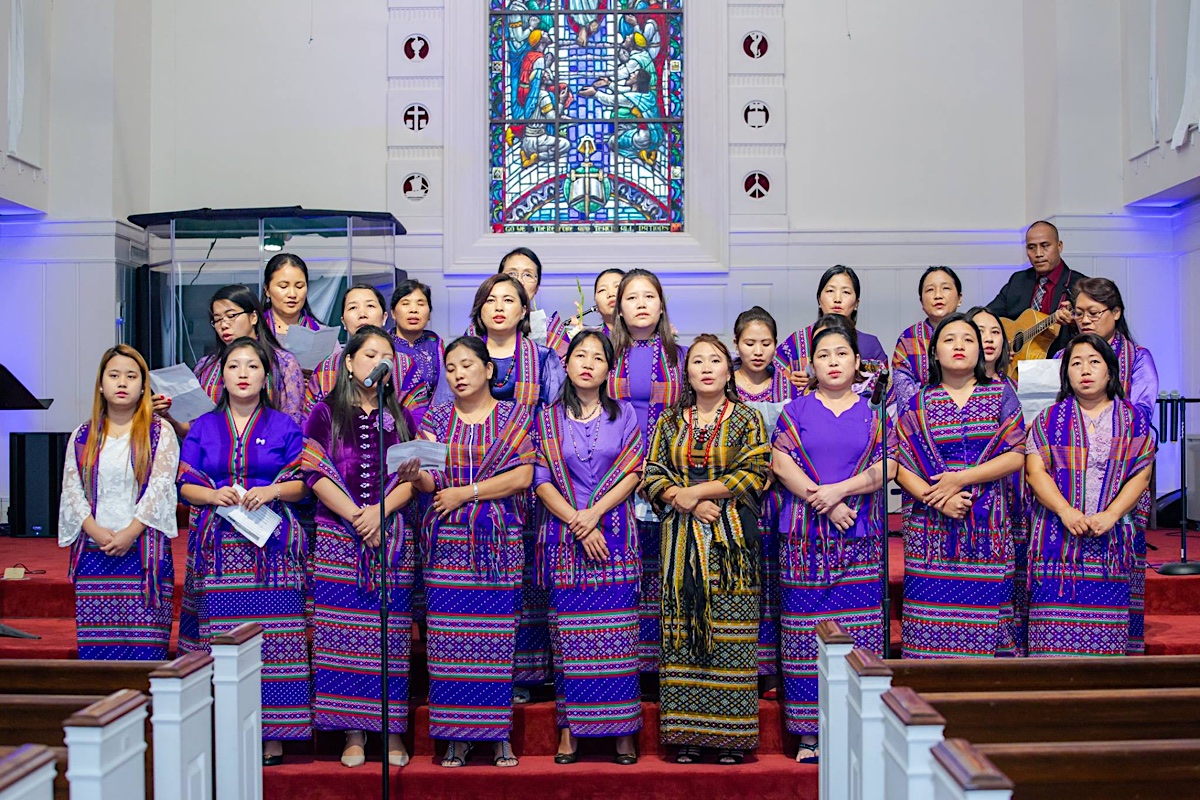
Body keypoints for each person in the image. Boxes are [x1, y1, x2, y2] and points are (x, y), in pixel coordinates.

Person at [177, 337, 311, 765]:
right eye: (234, 365)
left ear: (265, 376)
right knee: (223, 640)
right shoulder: (203, 426)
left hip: (272, 548)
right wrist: (212, 496)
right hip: (218, 546)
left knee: (275, 640)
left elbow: (303, 483)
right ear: (221, 376)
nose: (242, 373)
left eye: (252, 366)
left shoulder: (284, 425)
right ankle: (224, 728)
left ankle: (274, 732)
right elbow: (184, 482)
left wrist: (271, 490)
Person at [642, 334, 771, 765]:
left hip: (732, 544)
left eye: (715, 360)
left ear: (728, 369)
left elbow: (755, 471)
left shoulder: (747, 417)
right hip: (680, 543)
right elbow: (652, 473)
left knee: (732, 636)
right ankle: (688, 735)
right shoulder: (669, 421)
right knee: (683, 633)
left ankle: (731, 738)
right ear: (687, 373)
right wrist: (683, 500)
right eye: (698, 361)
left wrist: (694, 493)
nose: (707, 368)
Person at [412, 337, 537, 769]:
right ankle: (455, 737)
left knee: (495, 640)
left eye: (467, 365)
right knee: (448, 641)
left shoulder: (513, 416)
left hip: (497, 543)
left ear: (488, 369)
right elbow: (430, 480)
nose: (458, 374)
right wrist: (415, 476)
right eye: (450, 368)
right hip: (447, 545)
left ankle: (498, 735)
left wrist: (466, 492)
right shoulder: (436, 417)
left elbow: (523, 476)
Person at [771, 327, 888, 762]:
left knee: (860, 636)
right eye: (823, 355)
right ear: (812, 366)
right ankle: (810, 734)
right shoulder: (795, 409)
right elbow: (780, 462)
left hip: (859, 539)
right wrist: (822, 501)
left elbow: (888, 467)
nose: (833, 361)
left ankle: (858, 731)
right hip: (805, 542)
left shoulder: (875, 411)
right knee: (806, 636)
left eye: (842, 353)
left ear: (858, 363)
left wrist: (839, 493)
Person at [303, 326, 418, 768]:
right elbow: (313, 471)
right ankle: (352, 731)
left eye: (386, 355)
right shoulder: (324, 412)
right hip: (339, 537)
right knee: (342, 636)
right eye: (369, 354)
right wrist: (357, 515)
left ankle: (391, 729)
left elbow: (414, 478)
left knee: (390, 637)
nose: (378, 361)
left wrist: (379, 513)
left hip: (389, 537)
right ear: (349, 363)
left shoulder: (401, 416)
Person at [533, 331, 644, 766]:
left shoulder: (625, 414)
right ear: (567, 363)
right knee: (570, 639)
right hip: (565, 537)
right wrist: (579, 523)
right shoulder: (547, 419)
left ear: (608, 369)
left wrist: (594, 513)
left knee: (618, 637)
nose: (588, 363)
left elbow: (634, 471)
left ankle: (623, 731)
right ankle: (570, 730)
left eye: (598, 358)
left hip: (614, 536)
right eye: (580, 355)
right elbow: (540, 479)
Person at [894, 313, 1026, 659]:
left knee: (990, 623)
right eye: (949, 339)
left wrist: (961, 478)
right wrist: (939, 500)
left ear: (980, 350)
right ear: (934, 352)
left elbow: (1016, 455)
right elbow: (900, 465)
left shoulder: (1001, 394)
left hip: (987, 529)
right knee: (930, 626)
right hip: (930, 532)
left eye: (968, 340)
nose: (959, 346)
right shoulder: (918, 403)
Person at [1025, 334, 1155, 657]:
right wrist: (1065, 511)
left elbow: (1141, 475)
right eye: (1076, 363)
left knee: (1105, 649)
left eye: (1094, 362)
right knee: (1053, 644)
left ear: (1110, 371)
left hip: (1111, 544)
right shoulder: (1048, 419)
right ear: (1065, 373)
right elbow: (1035, 472)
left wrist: (1111, 515)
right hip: (1057, 545)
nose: (1085, 370)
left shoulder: (1134, 421)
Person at [60, 345, 179, 660]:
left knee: (145, 651)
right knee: (99, 652)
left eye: (131, 376)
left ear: (143, 386)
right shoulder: (83, 435)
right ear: (101, 384)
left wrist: (130, 533)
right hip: (95, 552)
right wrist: (95, 530)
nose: (122, 383)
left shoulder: (160, 432)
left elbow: (161, 487)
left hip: (142, 552)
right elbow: (72, 490)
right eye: (114, 375)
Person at [1068, 277, 1158, 655]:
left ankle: (1120, 641)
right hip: (1069, 473)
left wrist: (1101, 423)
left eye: (1094, 312)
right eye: (1079, 313)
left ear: (1116, 312)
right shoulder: (1063, 355)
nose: (1085, 320)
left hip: (1122, 471)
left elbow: (1142, 413)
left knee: (1121, 561)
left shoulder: (1137, 358)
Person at [607, 268, 688, 672]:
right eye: (632, 297)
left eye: (649, 296)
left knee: (667, 569)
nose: (641, 304)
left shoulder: (683, 357)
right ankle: (623, 663)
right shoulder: (603, 353)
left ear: (661, 306)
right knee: (623, 570)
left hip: (670, 477)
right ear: (619, 309)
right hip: (613, 477)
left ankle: (663, 666)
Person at [154, 284, 306, 432]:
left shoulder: (283, 362)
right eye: (217, 319)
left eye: (231, 316)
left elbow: (292, 424)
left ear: (253, 317)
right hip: (213, 448)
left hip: (268, 446)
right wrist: (170, 417)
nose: (224, 325)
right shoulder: (206, 366)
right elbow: (195, 430)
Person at [731, 306, 787, 686]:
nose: (758, 350)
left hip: (778, 495)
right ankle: (742, 665)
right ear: (736, 344)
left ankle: (771, 668)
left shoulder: (789, 385)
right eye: (750, 343)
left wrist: (772, 471)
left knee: (773, 579)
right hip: (733, 497)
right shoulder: (724, 382)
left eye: (766, 343)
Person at [967, 305, 1025, 653]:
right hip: (973, 497)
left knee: (1013, 569)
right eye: (979, 331)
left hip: (1014, 490)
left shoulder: (1013, 386)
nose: (988, 339)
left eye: (995, 332)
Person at [304, 283, 418, 418]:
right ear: (343, 322)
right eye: (353, 307)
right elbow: (310, 420)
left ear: (384, 317)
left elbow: (417, 417)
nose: (362, 314)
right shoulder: (326, 368)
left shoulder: (406, 365)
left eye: (370, 306)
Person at [775, 266, 889, 398]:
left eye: (846, 292)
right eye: (830, 291)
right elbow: (770, 378)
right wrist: (790, 381)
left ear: (856, 303)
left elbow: (885, 393)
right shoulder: (797, 342)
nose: (837, 299)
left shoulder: (870, 345)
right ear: (819, 299)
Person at [986, 221, 1086, 358]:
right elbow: (988, 315)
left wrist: (1075, 323)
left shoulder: (1079, 286)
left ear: (1059, 246)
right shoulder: (1018, 280)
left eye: (1045, 246)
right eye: (1031, 247)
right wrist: (1001, 346)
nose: (1038, 254)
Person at [890, 266, 964, 412]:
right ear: (921, 302)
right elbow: (905, 395)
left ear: (959, 298)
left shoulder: (975, 334)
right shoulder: (908, 338)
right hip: (923, 418)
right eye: (930, 290)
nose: (938, 295)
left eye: (946, 288)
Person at [496, 246, 570, 359]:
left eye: (528, 275)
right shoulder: (482, 325)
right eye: (511, 274)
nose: (519, 281)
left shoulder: (550, 329)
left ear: (537, 288)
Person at [390, 279, 444, 427]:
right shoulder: (384, 346)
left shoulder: (437, 345)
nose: (413, 310)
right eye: (405, 303)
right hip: (392, 424)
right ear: (393, 313)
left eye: (420, 304)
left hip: (432, 425)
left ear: (429, 313)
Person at [262, 252, 322, 337]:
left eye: (299, 286)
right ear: (267, 290)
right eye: (283, 286)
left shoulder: (321, 335)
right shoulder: (253, 331)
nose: (292, 294)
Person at [567, 268, 624, 335]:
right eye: (602, 290)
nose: (611, 294)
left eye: (617, 286)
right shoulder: (589, 336)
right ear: (596, 304)